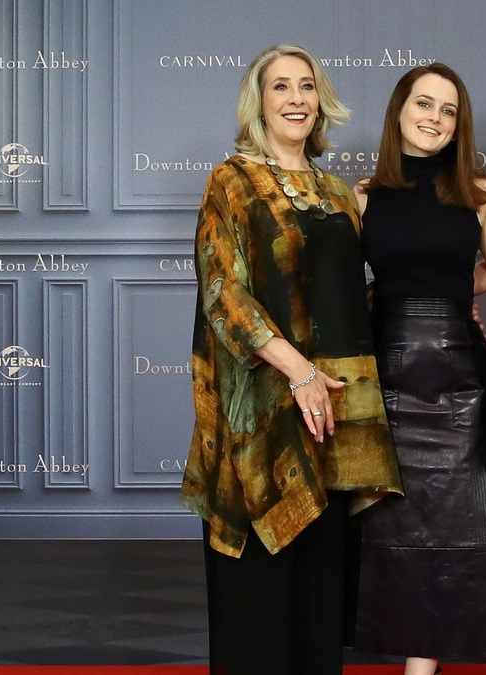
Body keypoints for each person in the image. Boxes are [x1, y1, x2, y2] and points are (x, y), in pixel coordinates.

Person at [179, 43, 402, 675]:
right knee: (259, 588)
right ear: (260, 103)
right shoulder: (232, 180)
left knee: (319, 590)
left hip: (334, 407)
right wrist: (298, 371)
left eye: (307, 86)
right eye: (282, 87)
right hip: (263, 413)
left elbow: (346, 298)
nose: (297, 98)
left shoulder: (338, 192)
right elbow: (224, 293)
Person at [352, 64, 486, 675]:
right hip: (383, 372)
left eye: (448, 109)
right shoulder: (363, 194)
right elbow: (342, 290)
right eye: (423, 104)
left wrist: (458, 290)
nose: (434, 117)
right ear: (399, 111)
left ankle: (421, 668)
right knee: (391, 523)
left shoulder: (479, 193)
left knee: (453, 520)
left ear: (460, 123)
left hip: (458, 376)